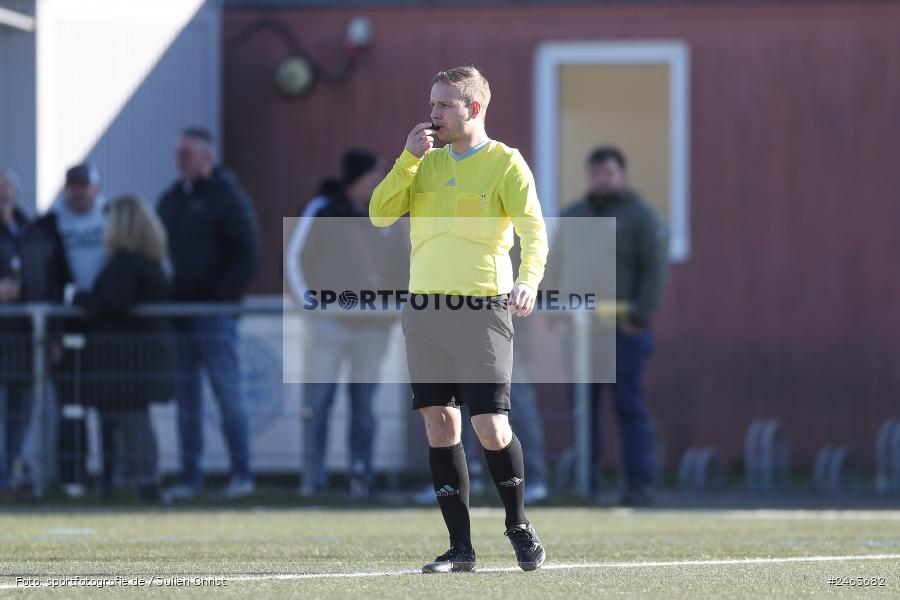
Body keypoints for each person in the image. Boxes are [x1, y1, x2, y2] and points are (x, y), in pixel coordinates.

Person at [370, 66, 549, 572]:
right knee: (439, 424)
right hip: (425, 310)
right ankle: (460, 548)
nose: (433, 114)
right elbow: (379, 214)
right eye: (432, 104)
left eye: (444, 105)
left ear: (474, 109)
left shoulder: (506, 164)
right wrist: (407, 159)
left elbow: (534, 232)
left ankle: (518, 524)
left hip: (483, 311)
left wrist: (529, 278)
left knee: (490, 426)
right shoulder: (420, 162)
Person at [286, 150, 408, 499]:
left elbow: (404, 265)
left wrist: (397, 307)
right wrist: (310, 306)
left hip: (374, 326)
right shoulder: (321, 209)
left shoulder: (386, 213)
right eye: (373, 175)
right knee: (318, 403)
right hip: (330, 325)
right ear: (358, 176)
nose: (377, 181)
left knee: (364, 406)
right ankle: (313, 478)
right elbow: (294, 258)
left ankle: (360, 476)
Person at [556, 146, 668, 505]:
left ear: (622, 176)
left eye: (609, 173)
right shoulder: (573, 215)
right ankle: (585, 486)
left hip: (623, 332)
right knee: (582, 411)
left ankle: (639, 484)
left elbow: (655, 270)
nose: (602, 180)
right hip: (580, 331)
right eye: (596, 173)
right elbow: (553, 264)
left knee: (628, 406)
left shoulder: (640, 217)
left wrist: (641, 317)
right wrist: (556, 313)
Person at [157, 127, 261, 501]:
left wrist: (218, 299)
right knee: (186, 400)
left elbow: (248, 254)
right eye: (177, 154)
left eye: (186, 154)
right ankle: (189, 477)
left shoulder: (229, 197)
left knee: (227, 395)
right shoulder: (170, 200)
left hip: (215, 316)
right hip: (180, 315)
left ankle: (241, 474)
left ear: (206, 156)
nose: (179, 161)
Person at [73, 195, 174, 502]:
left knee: (132, 421)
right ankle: (134, 480)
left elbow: (114, 303)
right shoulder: (146, 262)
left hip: (126, 360)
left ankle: (143, 481)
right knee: (131, 420)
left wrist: (80, 299)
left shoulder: (126, 263)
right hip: (135, 358)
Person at [36, 162, 108, 497]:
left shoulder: (111, 216)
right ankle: (72, 477)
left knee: (111, 400)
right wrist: (53, 333)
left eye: (83, 185)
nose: (78, 191)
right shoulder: (50, 224)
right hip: (65, 324)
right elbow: (46, 280)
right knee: (71, 405)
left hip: (106, 324)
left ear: (96, 187)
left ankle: (112, 475)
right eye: (72, 185)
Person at [0, 167, 61, 494]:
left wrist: (53, 335)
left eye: (6, 185)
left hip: (27, 342)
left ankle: (9, 475)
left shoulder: (33, 233)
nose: (3, 192)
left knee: (20, 417)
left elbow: (51, 284)